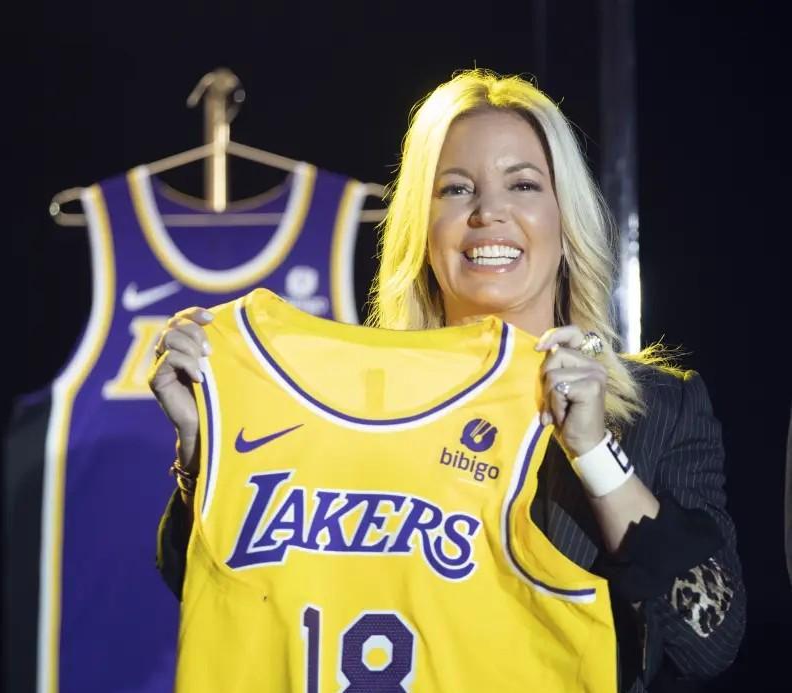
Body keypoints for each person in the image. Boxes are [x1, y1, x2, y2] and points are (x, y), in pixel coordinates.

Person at [150, 69, 745, 691]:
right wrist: (204, 450)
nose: (489, 213)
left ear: (565, 219)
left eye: (523, 184)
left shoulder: (660, 408)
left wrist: (595, 454)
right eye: (456, 190)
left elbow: (712, 642)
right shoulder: (353, 404)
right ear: (422, 229)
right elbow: (217, 594)